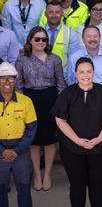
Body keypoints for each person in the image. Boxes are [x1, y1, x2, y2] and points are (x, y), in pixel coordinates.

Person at [52, 57, 102, 207]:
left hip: (100, 148)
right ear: (75, 74)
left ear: (94, 72)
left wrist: (99, 138)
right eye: (81, 72)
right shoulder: (67, 93)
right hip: (72, 149)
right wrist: (78, 140)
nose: (85, 75)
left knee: (97, 186)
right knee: (77, 187)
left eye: (89, 71)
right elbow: (60, 120)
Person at [15, 26, 65, 192]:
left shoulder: (55, 59)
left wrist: (60, 106)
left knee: (49, 140)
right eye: (37, 39)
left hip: (50, 101)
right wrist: (22, 105)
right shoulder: (22, 59)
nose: (41, 42)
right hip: (30, 101)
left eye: (44, 39)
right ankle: (37, 174)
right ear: (30, 40)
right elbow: (18, 84)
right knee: (34, 140)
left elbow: (61, 84)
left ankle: (48, 173)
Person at [0, 62, 36, 207]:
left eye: (11, 78)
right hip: (0, 150)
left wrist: (15, 151)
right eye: (3, 78)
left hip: (21, 151)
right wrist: (3, 151)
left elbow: (31, 129)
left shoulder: (26, 101)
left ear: (16, 80)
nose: (7, 82)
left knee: (24, 187)